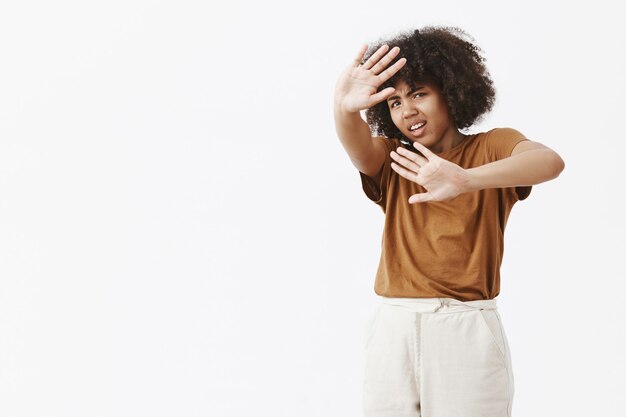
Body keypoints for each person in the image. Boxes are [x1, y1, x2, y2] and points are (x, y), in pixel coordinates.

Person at [333, 26, 565, 417]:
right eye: (394, 102)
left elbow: (549, 162)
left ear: (451, 92)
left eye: (419, 93)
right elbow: (358, 148)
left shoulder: (491, 146)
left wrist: (465, 179)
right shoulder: (394, 158)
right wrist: (343, 107)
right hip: (394, 325)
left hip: (465, 327)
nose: (407, 111)